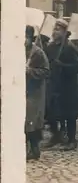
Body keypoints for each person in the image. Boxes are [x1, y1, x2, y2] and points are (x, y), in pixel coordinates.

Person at [43, 19, 78, 151]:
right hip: (55, 85)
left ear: (65, 32)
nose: (55, 31)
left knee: (69, 114)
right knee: (52, 113)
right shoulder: (50, 47)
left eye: (58, 29)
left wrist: (62, 65)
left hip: (69, 86)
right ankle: (56, 136)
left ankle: (72, 140)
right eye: (54, 28)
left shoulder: (70, 47)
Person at [25, 26, 50, 160]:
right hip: (22, 90)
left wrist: (30, 71)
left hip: (35, 92)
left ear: (30, 38)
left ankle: (34, 149)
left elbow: (46, 71)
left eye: (26, 37)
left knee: (32, 121)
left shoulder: (38, 53)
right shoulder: (18, 50)